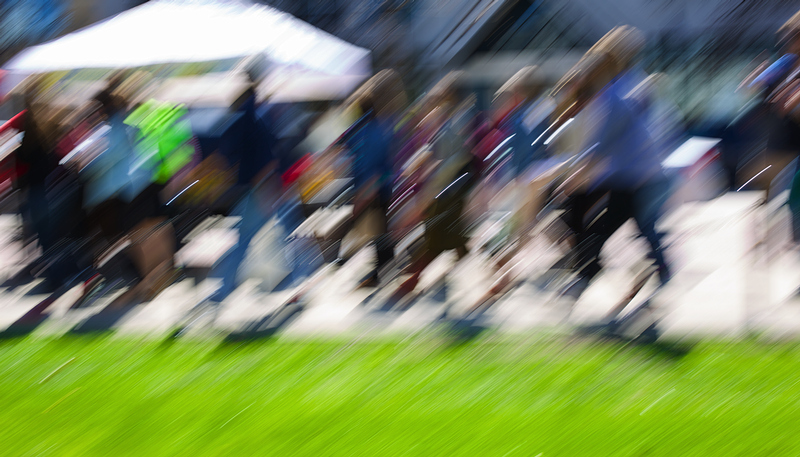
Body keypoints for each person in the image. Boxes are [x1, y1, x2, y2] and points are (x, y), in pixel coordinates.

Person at [558, 26, 672, 301]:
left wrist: (579, 172)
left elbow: (604, 139)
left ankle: (588, 274)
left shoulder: (621, 92)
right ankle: (654, 268)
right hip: (627, 173)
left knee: (601, 225)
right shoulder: (618, 89)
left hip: (632, 175)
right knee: (629, 226)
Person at [343, 70, 407, 288]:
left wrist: (365, 190)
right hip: (384, 183)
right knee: (381, 229)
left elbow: (371, 160)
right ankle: (385, 272)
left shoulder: (373, 124)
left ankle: (381, 273)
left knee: (378, 229)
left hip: (374, 184)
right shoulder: (389, 120)